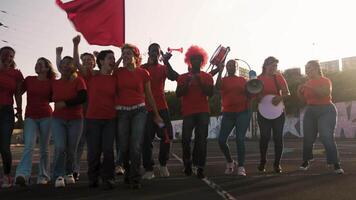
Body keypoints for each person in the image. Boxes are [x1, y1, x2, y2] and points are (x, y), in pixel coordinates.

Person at [115, 43, 163, 189]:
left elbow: (149, 95)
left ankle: (135, 177)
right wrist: (119, 58)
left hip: (139, 111)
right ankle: (127, 171)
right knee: (123, 145)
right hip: (122, 112)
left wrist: (156, 114)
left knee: (135, 145)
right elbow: (109, 70)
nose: (126, 56)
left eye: (129, 54)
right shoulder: (118, 72)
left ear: (136, 57)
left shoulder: (143, 73)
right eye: (124, 54)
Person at [14, 57, 56, 186]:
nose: (37, 65)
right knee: (29, 146)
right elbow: (18, 92)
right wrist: (16, 80)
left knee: (44, 148)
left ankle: (43, 175)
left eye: (40, 64)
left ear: (47, 68)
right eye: (36, 63)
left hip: (46, 117)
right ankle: (23, 174)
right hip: (30, 116)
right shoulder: (29, 79)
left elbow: (58, 95)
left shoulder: (52, 82)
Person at [297, 60, 344, 174]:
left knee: (326, 136)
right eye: (306, 69)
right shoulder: (307, 83)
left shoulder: (325, 80)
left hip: (326, 109)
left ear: (317, 69)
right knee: (308, 137)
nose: (308, 71)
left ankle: (335, 164)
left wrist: (309, 87)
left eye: (310, 68)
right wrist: (299, 91)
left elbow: (325, 93)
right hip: (310, 110)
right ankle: (306, 160)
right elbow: (303, 100)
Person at [141, 43, 179, 180]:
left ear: (159, 53)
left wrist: (167, 61)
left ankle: (163, 164)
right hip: (147, 111)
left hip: (162, 110)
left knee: (167, 136)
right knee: (146, 140)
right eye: (151, 50)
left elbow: (175, 77)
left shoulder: (163, 68)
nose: (153, 53)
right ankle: (149, 168)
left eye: (156, 51)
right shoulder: (142, 68)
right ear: (148, 52)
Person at [176, 45, 214, 179]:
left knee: (201, 140)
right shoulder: (182, 77)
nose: (195, 61)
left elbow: (210, 93)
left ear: (202, 61)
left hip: (203, 111)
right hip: (188, 112)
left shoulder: (207, 76)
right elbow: (178, 93)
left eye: (198, 59)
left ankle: (200, 167)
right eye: (193, 59)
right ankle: (187, 163)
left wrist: (199, 81)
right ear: (189, 61)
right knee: (185, 139)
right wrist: (187, 83)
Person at [52, 47, 87, 188]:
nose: (66, 65)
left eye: (69, 63)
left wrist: (65, 103)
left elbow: (82, 97)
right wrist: (58, 55)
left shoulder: (79, 81)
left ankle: (69, 173)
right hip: (58, 119)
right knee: (60, 147)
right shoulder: (54, 82)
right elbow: (48, 96)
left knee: (72, 148)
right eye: (63, 63)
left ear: (74, 67)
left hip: (76, 119)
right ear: (60, 67)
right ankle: (58, 175)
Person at [215, 59, 251, 176]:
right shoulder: (223, 80)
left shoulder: (242, 80)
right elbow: (217, 87)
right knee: (221, 140)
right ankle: (230, 162)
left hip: (243, 112)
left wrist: (253, 84)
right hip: (228, 113)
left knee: (240, 139)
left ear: (236, 67)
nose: (231, 66)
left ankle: (241, 166)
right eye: (229, 65)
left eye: (233, 65)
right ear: (226, 67)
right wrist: (219, 72)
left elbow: (250, 93)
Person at [257, 56, 290, 173]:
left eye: (276, 66)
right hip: (263, 112)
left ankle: (277, 164)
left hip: (278, 112)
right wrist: (258, 96)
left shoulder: (279, 77)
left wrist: (280, 97)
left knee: (278, 138)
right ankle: (263, 161)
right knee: (265, 137)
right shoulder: (258, 78)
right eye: (272, 65)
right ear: (265, 65)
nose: (274, 67)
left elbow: (287, 93)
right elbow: (253, 94)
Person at [0, 46, 24, 188]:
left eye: (11, 56)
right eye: (5, 55)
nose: (8, 58)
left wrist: (19, 112)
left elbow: (18, 94)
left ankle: (7, 176)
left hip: (6, 113)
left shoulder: (16, 74)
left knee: (4, 146)